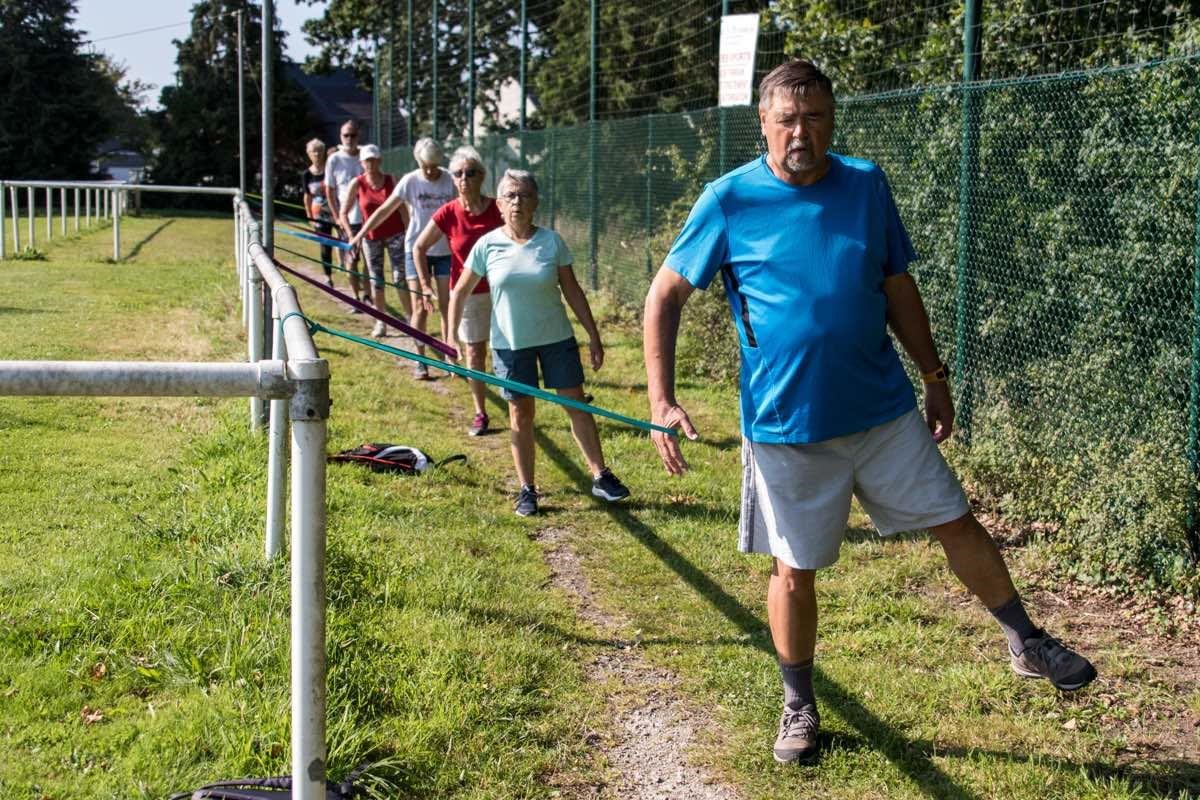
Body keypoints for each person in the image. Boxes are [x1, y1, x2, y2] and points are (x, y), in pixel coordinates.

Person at [642, 58, 1096, 765]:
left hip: (883, 412)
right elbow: (665, 295)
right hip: (787, 425)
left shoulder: (865, 184)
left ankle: (1025, 641)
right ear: (763, 123)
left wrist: (934, 375)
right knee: (795, 569)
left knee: (956, 519)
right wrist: (662, 399)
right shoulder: (728, 200)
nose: (802, 132)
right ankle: (798, 705)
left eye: (815, 117)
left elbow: (896, 284)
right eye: (788, 119)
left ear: (832, 121)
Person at [449, 169, 631, 516]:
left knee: (577, 405)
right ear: (499, 204)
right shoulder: (487, 245)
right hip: (511, 345)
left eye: (524, 195)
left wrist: (592, 334)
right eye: (510, 196)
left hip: (556, 339)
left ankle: (600, 475)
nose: (517, 202)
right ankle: (527, 490)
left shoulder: (551, 241)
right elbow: (459, 292)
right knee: (521, 414)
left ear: (535, 202)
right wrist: (450, 339)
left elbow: (573, 291)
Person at [413, 145, 501, 436]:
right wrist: (425, 285)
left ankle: (516, 405)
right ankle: (481, 412)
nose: (464, 179)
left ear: (482, 176)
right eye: (459, 174)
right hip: (467, 295)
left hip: (502, 292)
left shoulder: (498, 209)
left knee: (506, 351)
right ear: (453, 179)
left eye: (470, 173)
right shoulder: (448, 213)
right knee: (474, 354)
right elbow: (419, 247)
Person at [355, 138, 456, 380]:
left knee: (445, 305)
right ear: (418, 162)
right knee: (420, 306)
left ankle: (450, 356)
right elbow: (383, 210)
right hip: (416, 251)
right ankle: (421, 361)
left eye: (434, 166)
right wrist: (358, 235)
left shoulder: (450, 179)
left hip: (443, 251)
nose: (430, 171)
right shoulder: (410, 181)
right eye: (425, 166)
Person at [342, 144, 409, 338]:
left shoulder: (391, 180)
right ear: (361, 162)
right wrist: (351, 236)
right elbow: (343, 212)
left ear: (379, 160)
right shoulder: (357, 183)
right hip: (371, 238)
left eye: (373, 159)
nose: (370, 163)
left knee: (400, 278)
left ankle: (409, 318)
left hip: (396, 234)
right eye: (366, 160)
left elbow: (402, 209)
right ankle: (381, 321)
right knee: (376, 279)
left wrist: (409, 233)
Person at [324, 119, 368, 308]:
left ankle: (368, 295)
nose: (349, 138)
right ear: (341, 137)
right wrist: (336, 216)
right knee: (350, 262)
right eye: (346, 135)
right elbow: (330, 190)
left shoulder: (366, 156)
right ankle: (356, 298)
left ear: (359, 136)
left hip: (367, 219)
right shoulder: (334, 159)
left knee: (369, 260)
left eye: (353, 135)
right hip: (347, 220)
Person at [300, 138, 335, 288]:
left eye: (320, 151)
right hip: (319, 214)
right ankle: (328, 275)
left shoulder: (330, 170)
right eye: (313, 151)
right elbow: (307, 196)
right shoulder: (306, 174)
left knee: (343, 243)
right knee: (326, 246)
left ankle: (351, 273)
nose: (317, 154)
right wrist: (309, 215)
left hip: (336, 210)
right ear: (308, 154)